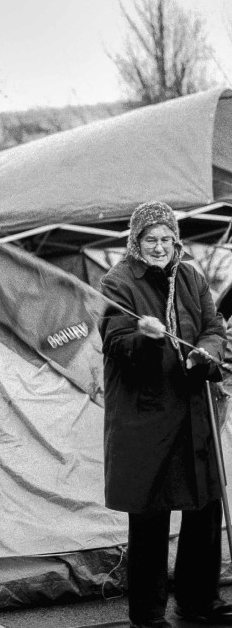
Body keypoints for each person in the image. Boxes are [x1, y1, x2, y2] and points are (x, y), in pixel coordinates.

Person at [100, 201, 232, 628]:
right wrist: (145, 336)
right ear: (136, 242)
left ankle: (198, 601)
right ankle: (148, 613)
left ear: (175, 241)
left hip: (194, 411)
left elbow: (214, 328)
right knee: (150, 517)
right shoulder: (118, 282)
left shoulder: (191, 275)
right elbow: (116, 345)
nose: (159, 247)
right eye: (150, 239)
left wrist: (205, 356)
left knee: (204, 508)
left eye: (165, 239)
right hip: (147, 418)